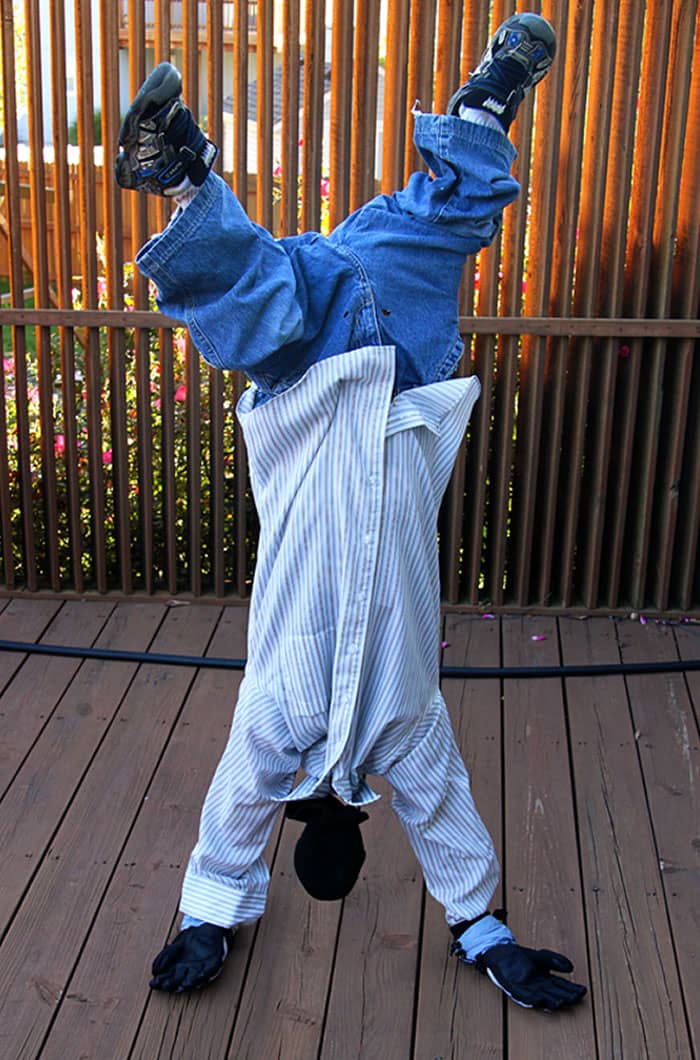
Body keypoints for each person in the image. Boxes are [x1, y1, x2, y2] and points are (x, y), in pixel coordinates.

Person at [116, 13, 587, 1011]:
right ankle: (483, 103)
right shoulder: (400, 727)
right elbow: (436, 825)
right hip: (391, 348)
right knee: (449, 216)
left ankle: (186, 173)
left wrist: (208, 918)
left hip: (320, 366)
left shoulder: (285, 720)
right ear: (345, 815)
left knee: (264, 297)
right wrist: (485, 931)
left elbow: (236, 823)